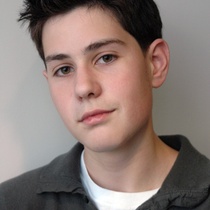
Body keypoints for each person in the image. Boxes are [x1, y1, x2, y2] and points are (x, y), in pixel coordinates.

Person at [0, 0, 210, 209]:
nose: (83, 88)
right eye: (64, 69)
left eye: (106, 58)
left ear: (155, 63)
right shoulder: (9, 202)